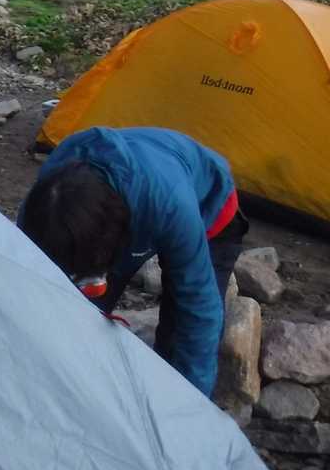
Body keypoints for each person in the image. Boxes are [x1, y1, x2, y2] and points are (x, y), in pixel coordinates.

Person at [18, 126, 247, 398]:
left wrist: (190, 406)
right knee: (78, 314)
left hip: (209, 208)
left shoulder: (170, 205)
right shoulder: (48, 202)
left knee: (178, 344)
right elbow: (29, 277)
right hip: (129, 200)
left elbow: (199, 312)